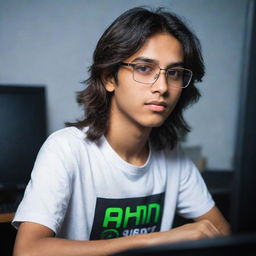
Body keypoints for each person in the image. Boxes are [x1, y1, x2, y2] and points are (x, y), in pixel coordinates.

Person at [12, 6, 230, 256]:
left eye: (174, 73)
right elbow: (28, 250)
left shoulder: (171, 155)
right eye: (144, 68)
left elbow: (222, 231)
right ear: (109, 78)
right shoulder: (66, 149)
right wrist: (156, 240)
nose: (162, 87)